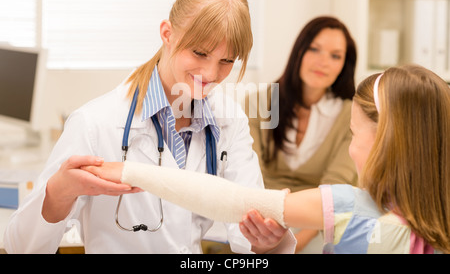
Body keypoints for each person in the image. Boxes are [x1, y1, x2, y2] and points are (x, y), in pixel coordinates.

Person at [4, 0, 295, 254]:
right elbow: (22, 248)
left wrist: (265, 240)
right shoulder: (94, 123)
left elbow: (249, 231)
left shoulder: (230, 121)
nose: (210, 73)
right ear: (167, 33)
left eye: (227, 61)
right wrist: (58, 193)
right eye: (199, 53)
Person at [84, 64, 450, 254]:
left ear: (386, 141)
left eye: (355, 135)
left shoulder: (352, 206)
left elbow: (229, 200)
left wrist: (128, 169)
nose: (351, 146)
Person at [244, 16, 358, 252]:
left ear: (344, 66)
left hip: (318, 222)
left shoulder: (353, 116)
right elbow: (250, 176)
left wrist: (294, 244)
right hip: (260, 216)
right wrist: (266, 235)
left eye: (335, 56)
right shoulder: (259, 102)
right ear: (299, 52)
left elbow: (336, 189)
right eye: (314, 49)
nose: (323, 61)